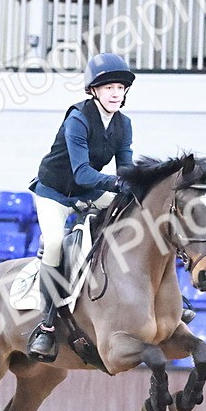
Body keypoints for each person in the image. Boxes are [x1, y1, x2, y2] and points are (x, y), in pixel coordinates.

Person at [26, 53, 135, 362]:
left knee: (133, 213)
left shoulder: (123, 124)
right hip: (55, 193)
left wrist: (134, 186)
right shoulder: (77, 119)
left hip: (88, 192)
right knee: (56, 245)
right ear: (94, 90)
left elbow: (125, 169)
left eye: (120, 88)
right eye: (108, 87)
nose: (116, 93)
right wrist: (117, 184)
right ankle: (47, 326)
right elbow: (81, 173)